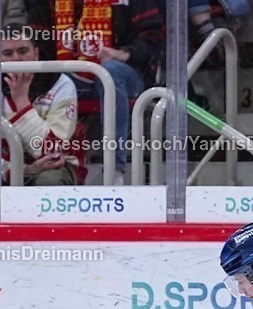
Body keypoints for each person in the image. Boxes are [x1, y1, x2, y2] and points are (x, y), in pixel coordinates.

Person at [26, 0, 163, 183]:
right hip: (68, 75)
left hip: (127, 73)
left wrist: (123, 54)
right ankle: (43, 163)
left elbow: (154, 40)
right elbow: (36, 45)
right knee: (41, 76)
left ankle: (115, 172)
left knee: (110, 72)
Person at [0, 25, 82, 186]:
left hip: (52, 167)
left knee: (50, 181)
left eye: (22, 51)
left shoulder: (61, 83)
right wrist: (20, 170)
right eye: (7, 53)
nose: (16, 59)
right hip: (4, 167)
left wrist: (22, 102)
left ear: (36, 54)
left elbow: (53, 152)